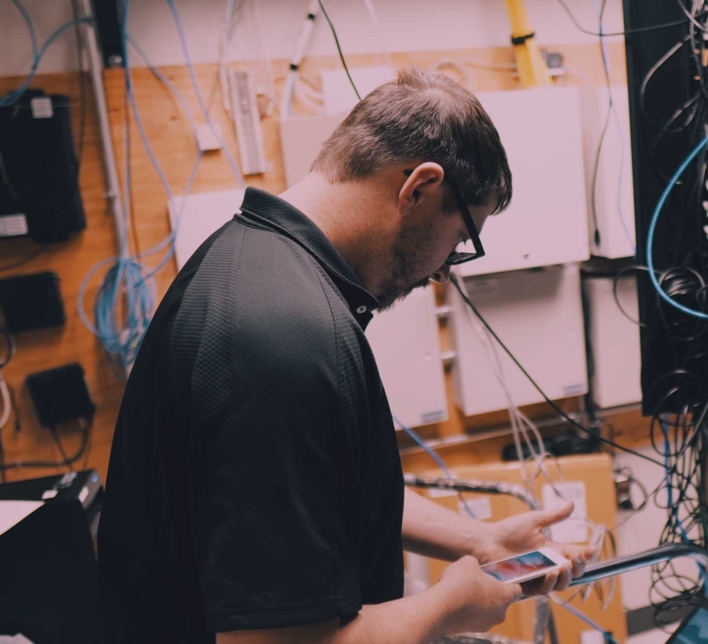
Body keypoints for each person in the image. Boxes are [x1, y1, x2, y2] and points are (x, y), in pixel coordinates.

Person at [97, 67, 597, 644]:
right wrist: (447, 608)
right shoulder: (282, 338)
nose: (441, 272)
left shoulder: (253, 263)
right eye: (460, 240)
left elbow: (303, 500)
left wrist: (477, 540)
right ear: (419, 188)